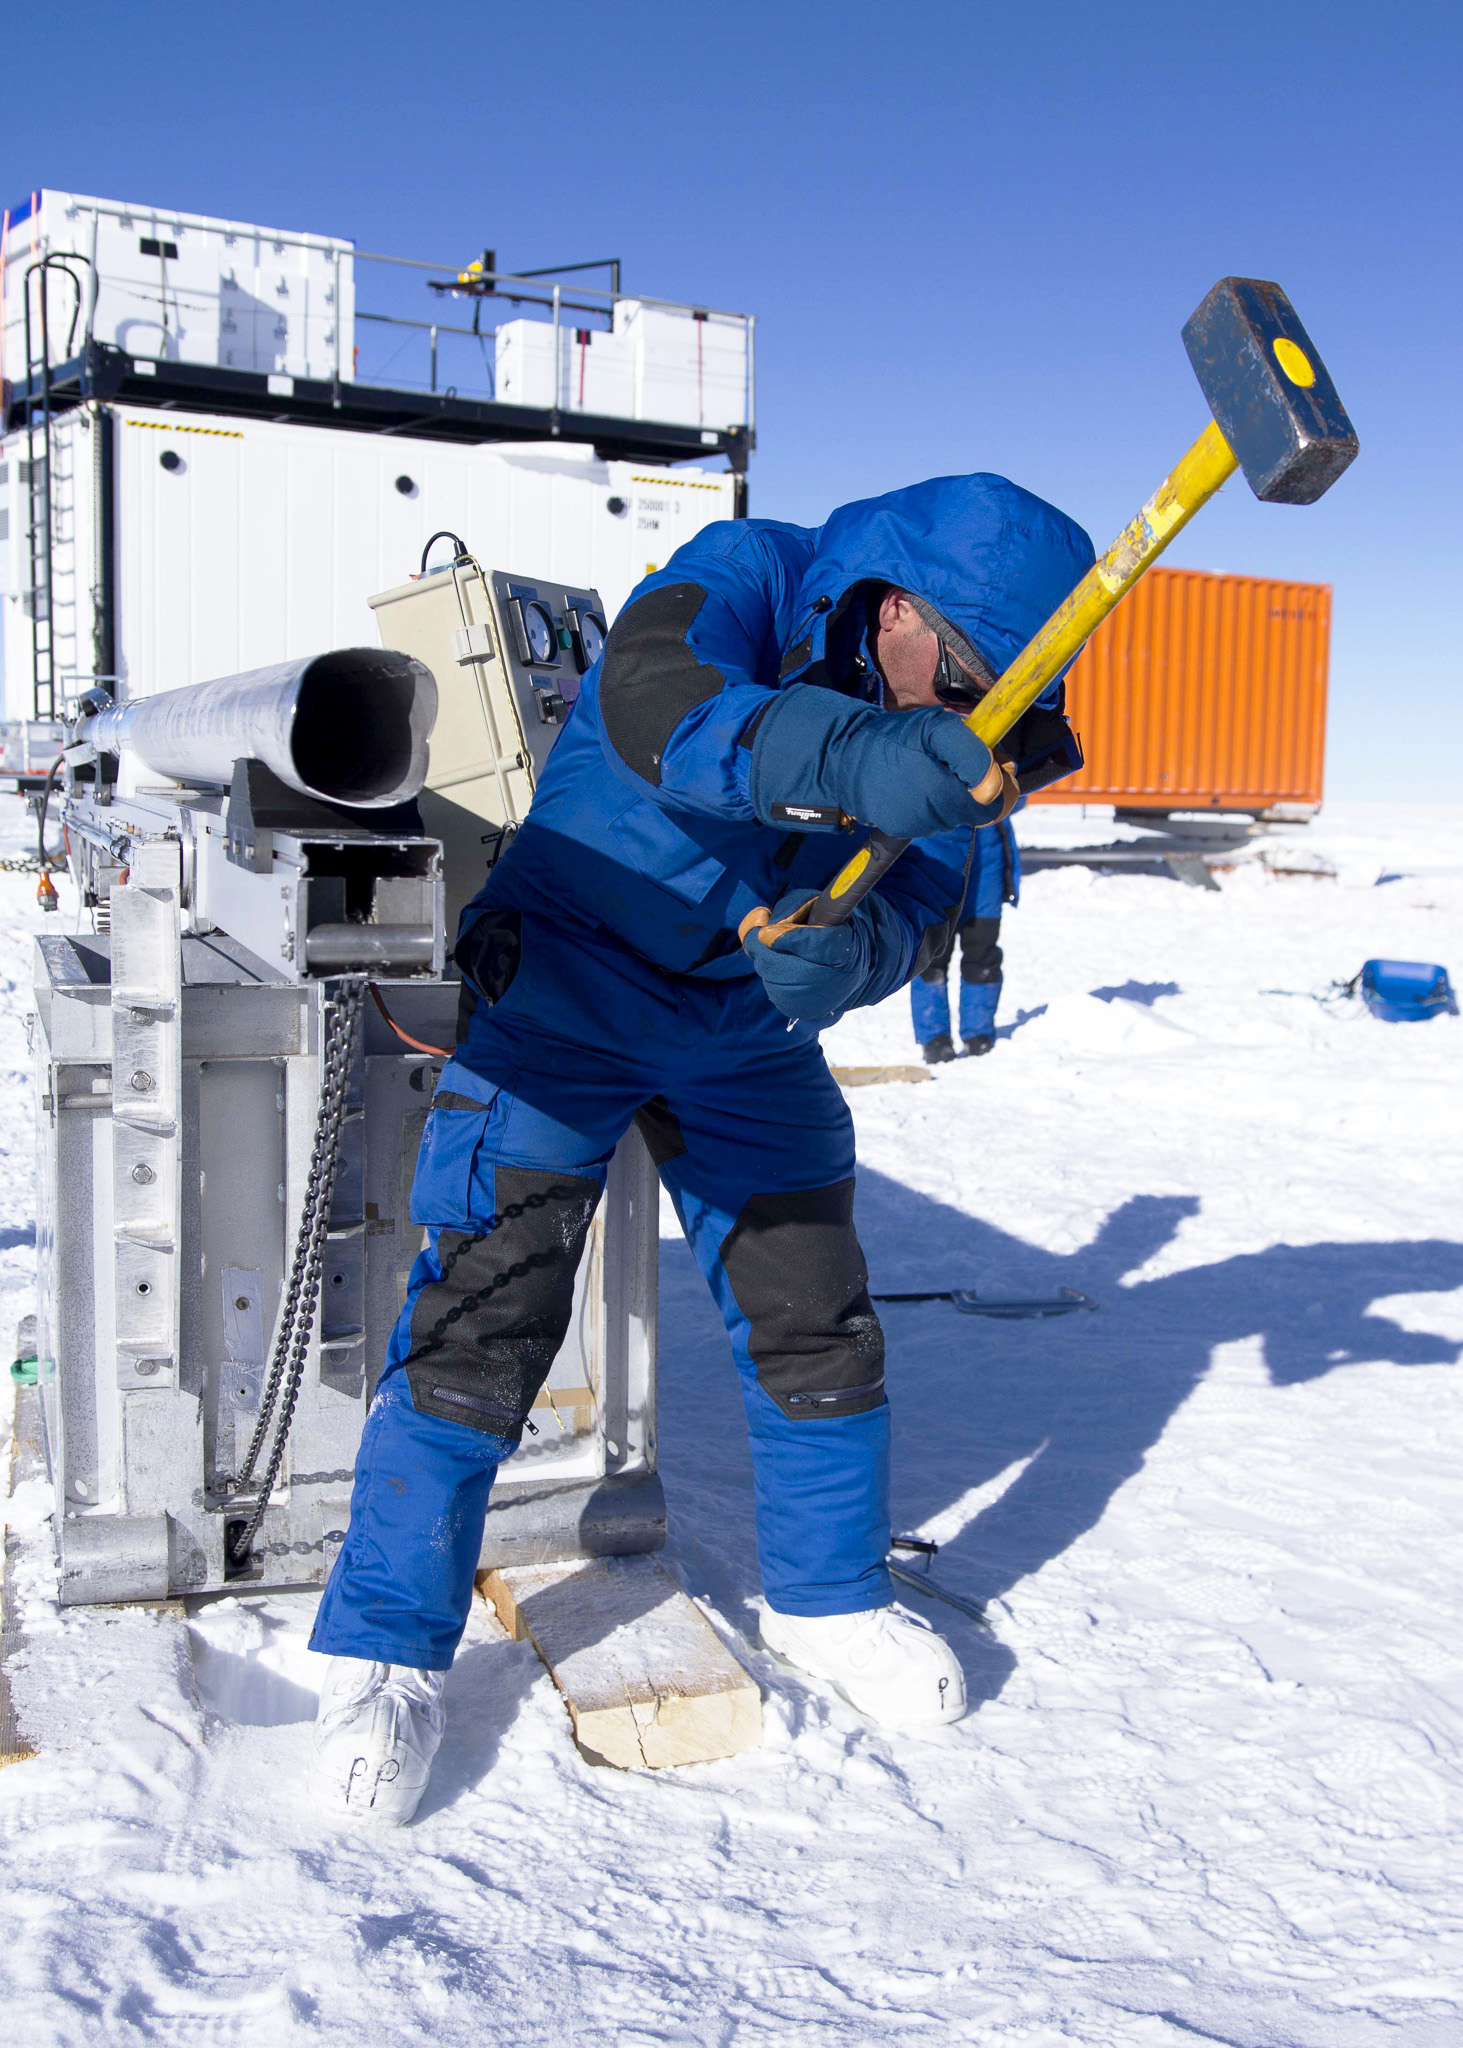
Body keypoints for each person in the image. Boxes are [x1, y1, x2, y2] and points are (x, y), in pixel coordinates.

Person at [307, 474, 1093, 1826]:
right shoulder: (746, 571)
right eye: (955, 678)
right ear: (893, 604)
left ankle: (828, 1600)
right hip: (567, 988)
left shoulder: (958, 728)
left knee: (813, 1316)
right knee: (481, 1317)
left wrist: (852, 955)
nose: (960, 719)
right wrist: (846, 760)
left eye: (990, 704)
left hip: (739, 1029)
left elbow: (915, 899)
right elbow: (655, 701)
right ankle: (383, 1647)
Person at [910, 813, 1020, 1062]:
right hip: (937, 858)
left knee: (983, 954)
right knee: (931, 957)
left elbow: (1020, 794)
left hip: (986, 866)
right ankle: (934, 1038)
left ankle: (978, 1035)